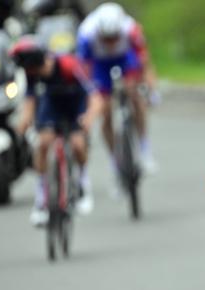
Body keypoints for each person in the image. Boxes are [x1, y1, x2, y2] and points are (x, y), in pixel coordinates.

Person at [10, 35, 101, 226]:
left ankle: (82, 184)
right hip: (51, 105)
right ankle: (42, 199)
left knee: (77, 144)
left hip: (75, 104)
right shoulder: (31, 75)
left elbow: (94, 94)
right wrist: (22, 125)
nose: (31, 71)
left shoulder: (69, 66)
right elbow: (30, 102)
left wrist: (89, 117)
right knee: (43, 143)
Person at [76, 2, 158, 178]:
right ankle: (115, 160)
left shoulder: (131, 29)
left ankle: (144, 146)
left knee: (134, 95)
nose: (111, 43)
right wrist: (92, 93)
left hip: (124, 59)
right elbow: (84, 68)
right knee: (105, 113)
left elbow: (144, 61)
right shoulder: (86, 33)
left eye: (114, 38)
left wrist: (150, 88)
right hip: (100, 65)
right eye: (106, 39)